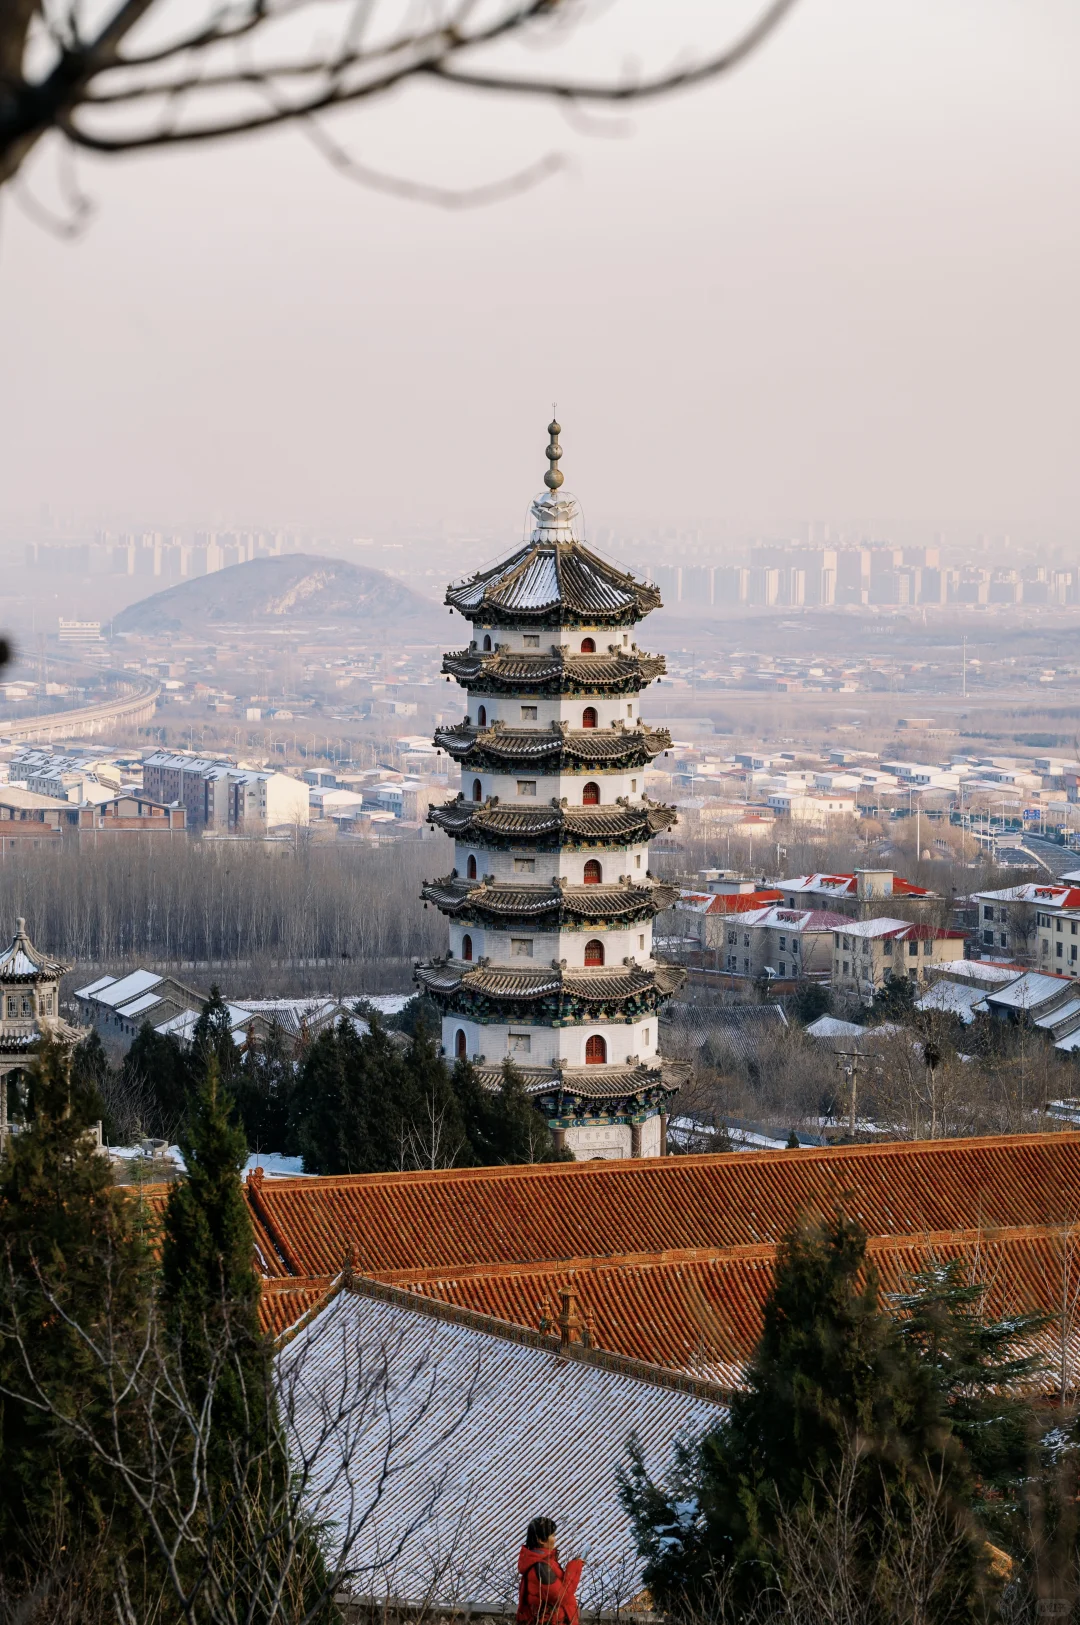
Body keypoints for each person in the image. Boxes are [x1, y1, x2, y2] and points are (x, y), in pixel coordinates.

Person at [517, 1517, 585, 1625]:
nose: (555, 1539)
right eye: (552, 1535)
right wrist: (574, 1568)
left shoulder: (545, 1562)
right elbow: (561, 1597)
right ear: (541, 1540)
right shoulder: (540, 1567)